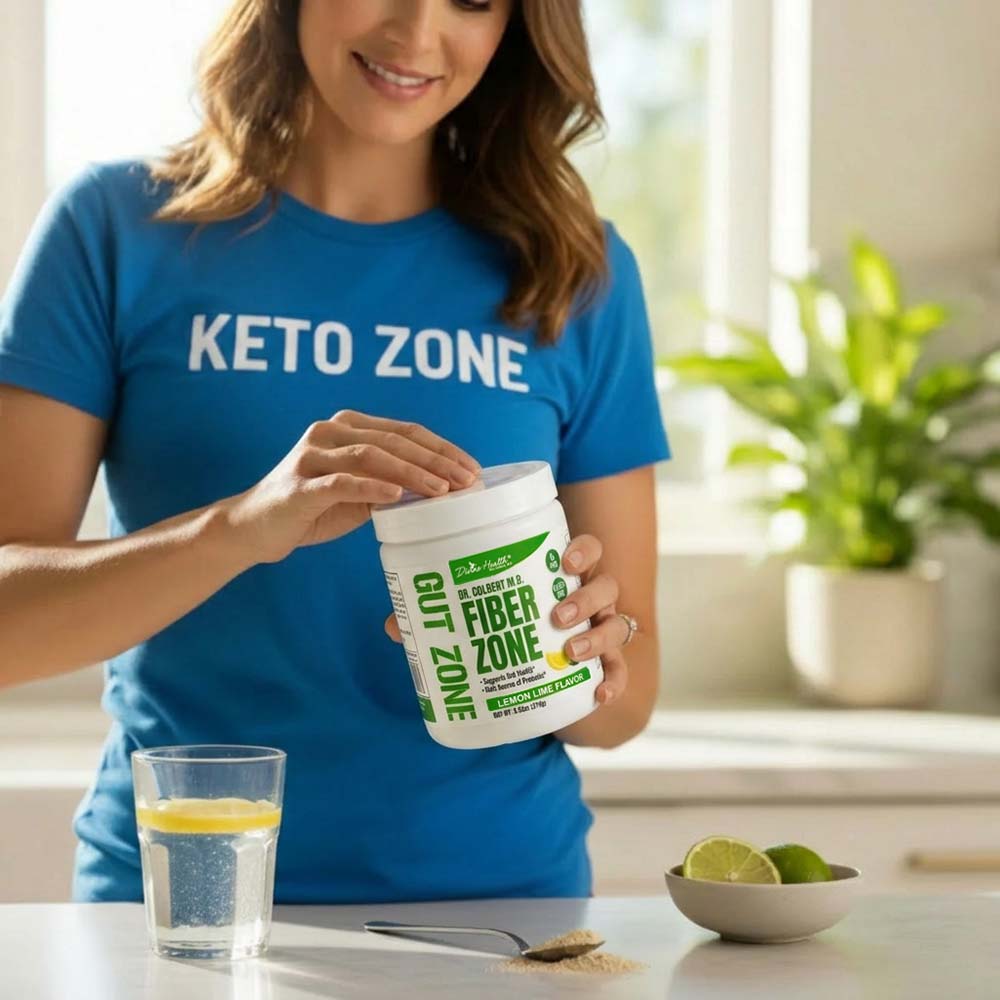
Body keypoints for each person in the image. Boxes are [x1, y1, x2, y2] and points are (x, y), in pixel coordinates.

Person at [0, 0, 668, 904]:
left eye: (472, 0)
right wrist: (240, 528)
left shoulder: (575, 270)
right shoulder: (115, 230)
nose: (415, 33)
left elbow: (627, 704)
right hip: (189, 901)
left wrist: (593, 654)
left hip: (500, 910)